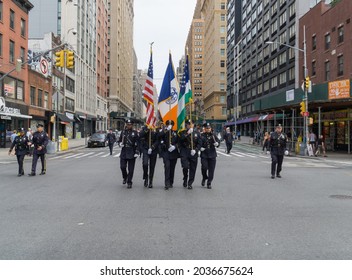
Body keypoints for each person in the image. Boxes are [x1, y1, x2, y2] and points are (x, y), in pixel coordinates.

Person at [178, 120, 202, 189]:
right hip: (185, 151)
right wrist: (188, 133)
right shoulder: (183, 132)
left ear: (193, 125)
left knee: (193, 168)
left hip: (193, 152)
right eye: (188, 124)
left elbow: (199, 143)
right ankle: (185, 178)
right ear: (186, 125)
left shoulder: (197, 133)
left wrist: (196, 150)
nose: (189, 125)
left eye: (191, 124)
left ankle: (190, 183)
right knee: (185, 167)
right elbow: (181, 139)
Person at [117, 119, 139, 189]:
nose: (128, 125)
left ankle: (129, 182)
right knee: (122, 167)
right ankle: (125, 177)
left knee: (131, 169)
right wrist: (120, 144)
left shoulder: (135, 133)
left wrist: (137, 152)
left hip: (131, 152)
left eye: (130, 124)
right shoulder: (123, 132)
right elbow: (119, 140)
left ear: (132, 125)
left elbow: (138, 143)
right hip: (124, 151)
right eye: (127, 124)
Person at [159, 120, 179, 190]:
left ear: (173, 126)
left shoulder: (176, 133)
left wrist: (175, 146)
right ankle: (166, 183)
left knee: (172, 168)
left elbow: (179, 142)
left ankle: (171, 182)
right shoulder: (164, 132)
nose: (169, 126)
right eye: (168, 125)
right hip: (166, 152)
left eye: (170, 125)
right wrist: (166, 130)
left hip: (174, 153)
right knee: (167, 167)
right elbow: (159, 136)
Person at [200, 122, 220, 189]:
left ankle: (209, 183)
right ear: (205, 129)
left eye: (209, 128)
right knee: (204, 167)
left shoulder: (213, 135)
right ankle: (204, 177)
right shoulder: (202, 135)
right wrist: (200, 148)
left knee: (211, 170)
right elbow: (199, 143)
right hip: (204, 154)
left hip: (212, 154)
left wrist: (217, 144)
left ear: (211, 128)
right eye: (207, 128)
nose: (208, 129)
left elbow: (218, 141)